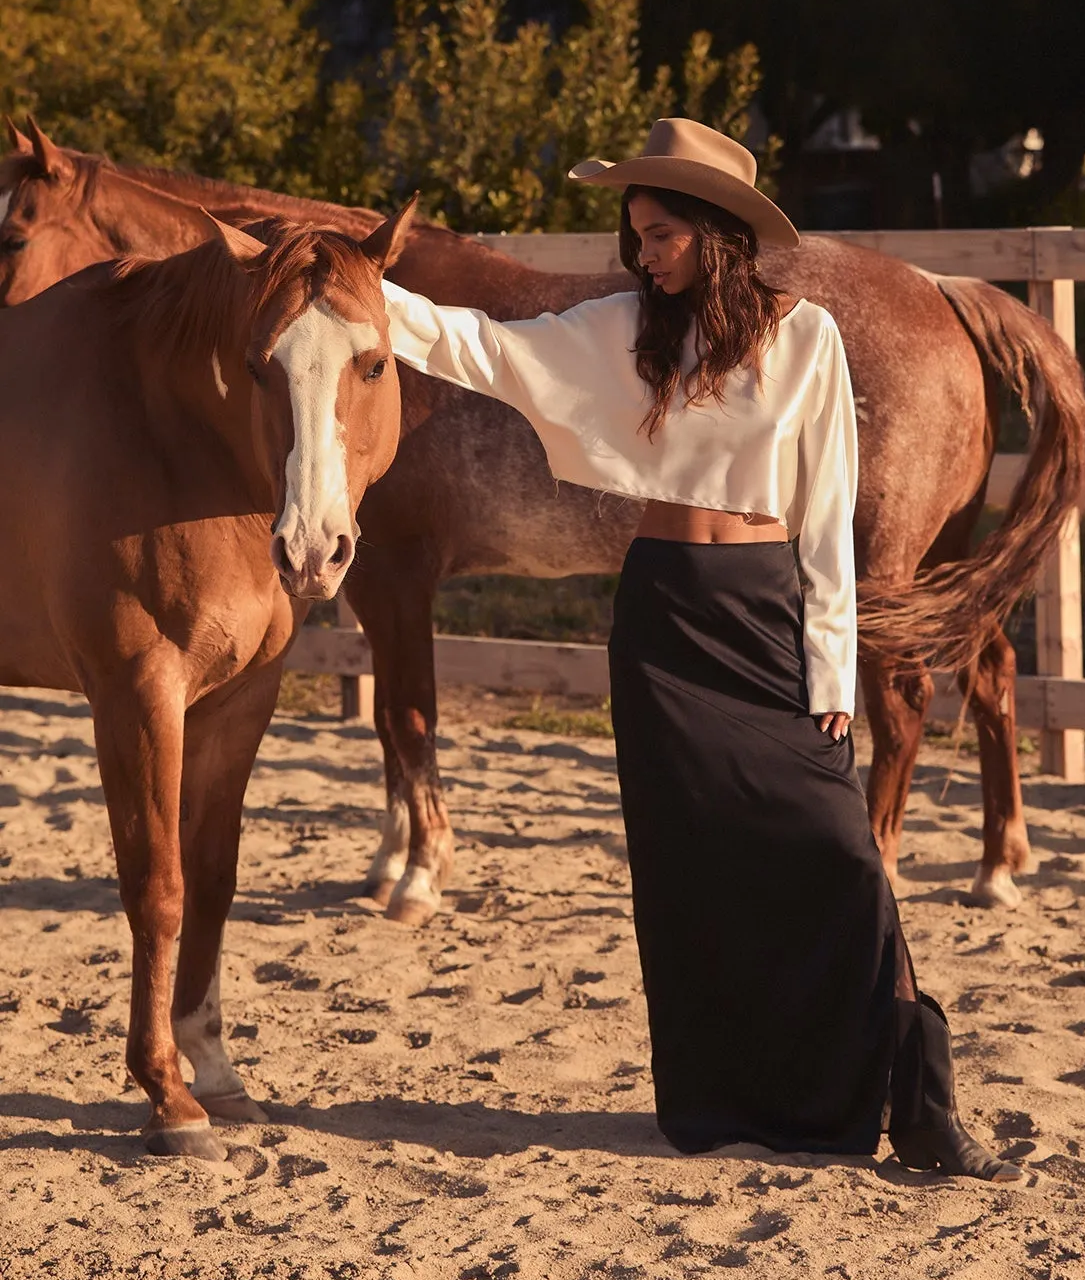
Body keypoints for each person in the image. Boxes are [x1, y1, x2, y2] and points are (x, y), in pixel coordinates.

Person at [380, 117, 1016, 1178]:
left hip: (763, 612)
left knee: (841, 854)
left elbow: (822, 513)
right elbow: (477, 345)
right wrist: (354, 286)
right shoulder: (623, 327)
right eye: (636, 234)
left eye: (664, 231)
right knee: (691, 877)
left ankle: (921, 1099)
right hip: (662, 621)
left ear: (718, 231)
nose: (647, 252)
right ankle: (725, 1099)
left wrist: (828, 667)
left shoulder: (806, 335)